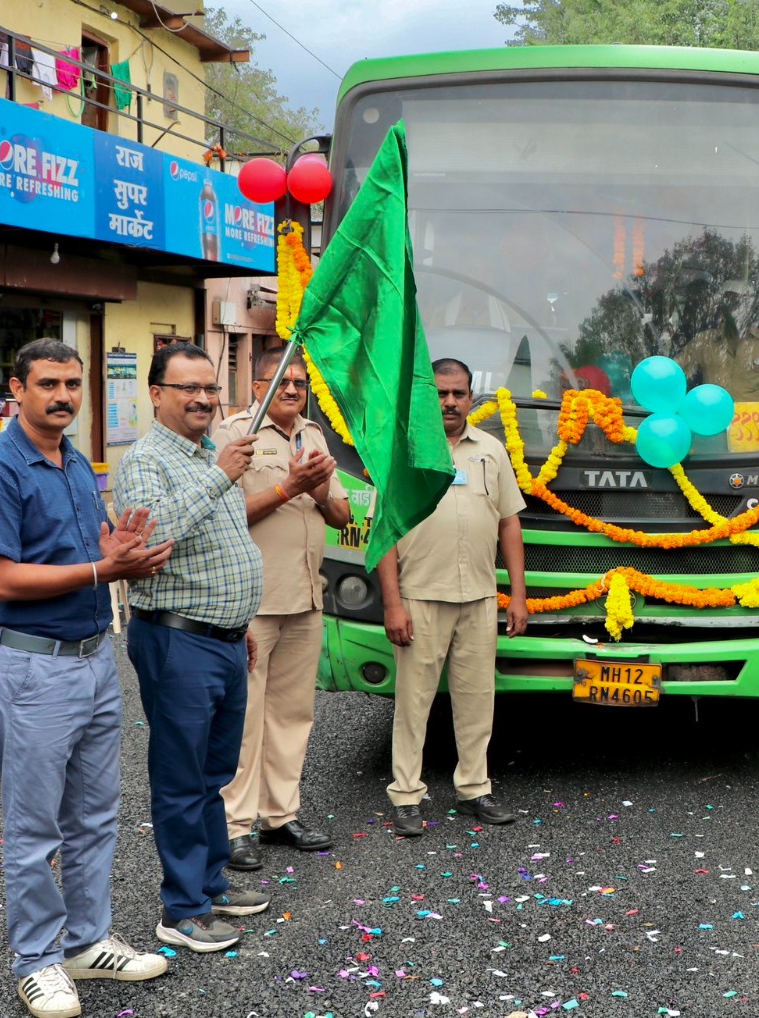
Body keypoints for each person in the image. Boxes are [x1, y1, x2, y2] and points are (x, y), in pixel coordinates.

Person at [0, 339, 173, 1017]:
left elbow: (85, 554)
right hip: (32, 667)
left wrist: (113, 553)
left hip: (92, 660)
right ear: (16, 390)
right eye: (48, 383)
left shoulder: (75, 461)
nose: (64, 395)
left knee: (94, 816)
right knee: (34, 827)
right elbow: (1, 579)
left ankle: (85, 942)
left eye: (74, 384)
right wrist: (102, 572)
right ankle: (37, 961)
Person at [113, 342, 269, 954]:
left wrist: (240, 621)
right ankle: (181, 909)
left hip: (223, 637)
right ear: (157, 394)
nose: (204, 399)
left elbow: (223, 546)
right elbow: (153, 540)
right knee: (180, 777)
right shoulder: (146, 460)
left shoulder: (209, 453)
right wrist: (220, 476)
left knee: (214, 771)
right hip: (178, 640)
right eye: (188, 389)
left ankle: (209, 881)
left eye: (210, 388)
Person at [379, 357, 528, 835]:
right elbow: (384, 533)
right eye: (440, 393)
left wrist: (518, 596)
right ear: (428, 397)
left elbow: (509, 522)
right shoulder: (406, 452)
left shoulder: (491, 450)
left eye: (458, 394)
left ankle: (474, 789)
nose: (449, 402)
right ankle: (406, 795)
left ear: (471, 399)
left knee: (476, 700)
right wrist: (392, 604)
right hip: (420, 596)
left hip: (480, 597)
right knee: (413, 702)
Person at [216, 351, 353, 872]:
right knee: (245, 716)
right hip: (253, 598)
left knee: (294, 714)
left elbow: (340, 515)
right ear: (257, 387)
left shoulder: (314, 436)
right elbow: (223, 513)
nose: (292, 389)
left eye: (300, 382)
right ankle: (236, 825)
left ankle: (279, 815)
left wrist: (316, 487)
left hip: (305, 596)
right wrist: (287, 487)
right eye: (281, 381)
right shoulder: (237, 434)